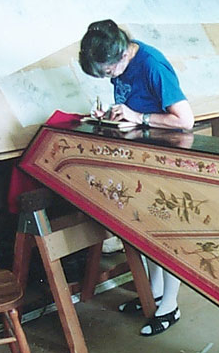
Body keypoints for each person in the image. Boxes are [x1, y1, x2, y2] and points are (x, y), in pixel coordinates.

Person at [79, 19, 194, 336]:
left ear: (121, 55)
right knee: (144, 229)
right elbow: (133, 106)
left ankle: (170, 305)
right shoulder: (119, 60)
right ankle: (154, 293)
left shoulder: (151, 64)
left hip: (166, 157)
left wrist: (139, 117)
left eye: (107, 72)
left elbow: (185, 120)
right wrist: (115, 115)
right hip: (141, 157)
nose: (107, 77)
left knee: (166, 233)